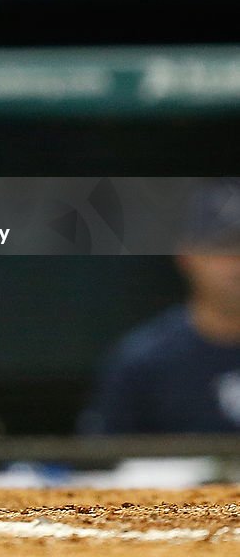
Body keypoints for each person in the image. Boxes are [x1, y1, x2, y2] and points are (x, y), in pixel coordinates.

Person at [81, 179, 240, 433]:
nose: (235, 263)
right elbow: (103, 461)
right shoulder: (145, 361)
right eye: (221, 246)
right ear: (187, 255)